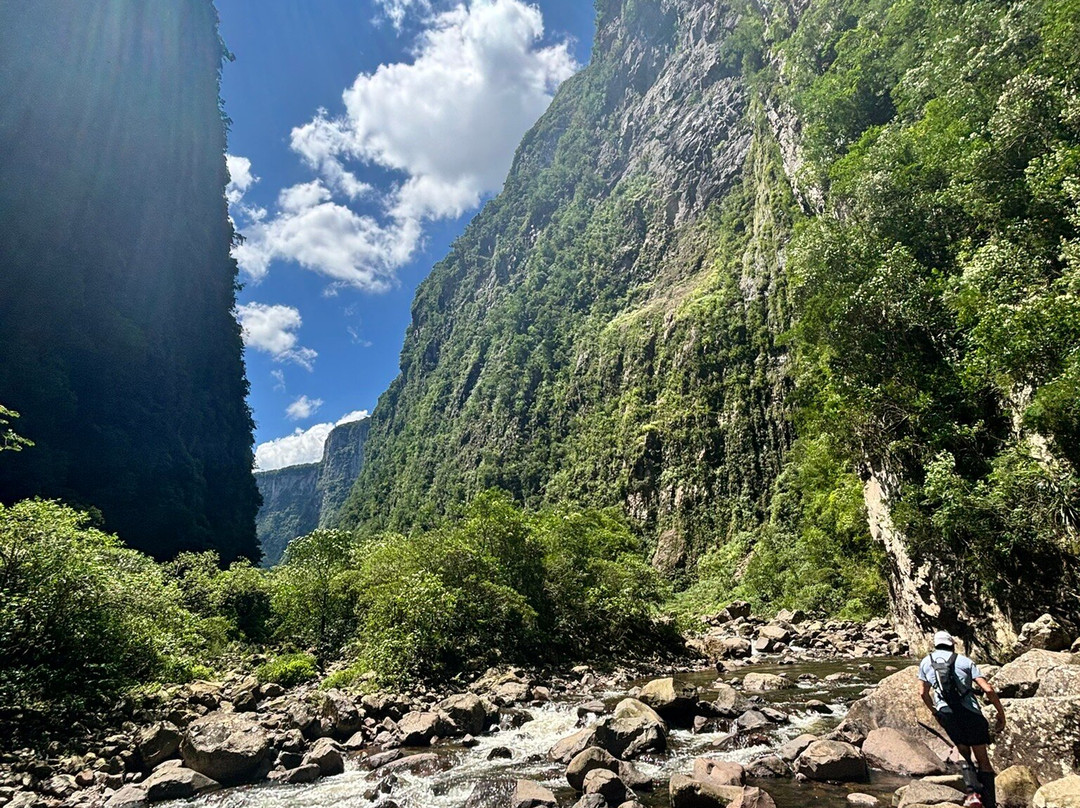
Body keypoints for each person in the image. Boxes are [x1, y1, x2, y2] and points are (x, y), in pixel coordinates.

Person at [918, 630, 1006, 808]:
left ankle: (972, 794)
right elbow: (988, 690)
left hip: (947, 713)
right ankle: (989, 804)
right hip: (970, 713)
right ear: (952, 644)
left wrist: (934, 711)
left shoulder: (926, 662)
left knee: (963, 753)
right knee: (982, 759)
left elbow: (923, 693)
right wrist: (1000, 713)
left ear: (935, 645)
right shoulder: (964, 661)